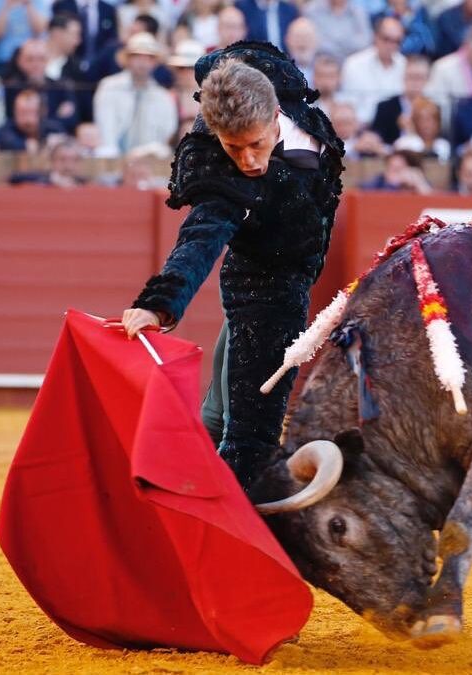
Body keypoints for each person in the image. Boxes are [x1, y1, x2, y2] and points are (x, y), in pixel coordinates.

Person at [119, 41, 345, 495]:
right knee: (249, 440)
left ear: (275, 112)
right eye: (233, 148)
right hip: (266, 286)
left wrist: (217, 65)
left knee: (219, 413)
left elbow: (232, 60)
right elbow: (199, 240)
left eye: (256, 144)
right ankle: (183, 507)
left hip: (283, 273)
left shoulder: (270, 81)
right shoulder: (220, 176)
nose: (249, 162)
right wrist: (158, 304)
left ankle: (166, 491)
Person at [92, 31, 177, 157]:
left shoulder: (162, 97)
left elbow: (167, 135)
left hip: (150, 164)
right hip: (113, 159)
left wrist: (145, 153)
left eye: (148, 58)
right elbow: (104, 130)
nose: (142, 62)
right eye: (137, 56)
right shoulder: (109, 87)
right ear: (128, 60)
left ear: (154, 63)